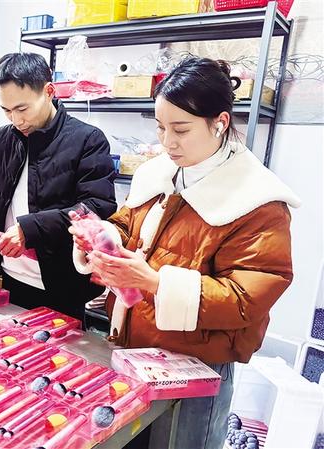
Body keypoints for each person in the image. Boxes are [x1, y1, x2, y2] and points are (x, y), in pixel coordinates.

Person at [70, 57, 300, 449]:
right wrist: (103, 238)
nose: (167, 142)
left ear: (220, 123)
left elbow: (248, 298)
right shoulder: (158, 174)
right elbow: (128, 223)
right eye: (160, 127)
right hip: (133, 348)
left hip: (197, 366)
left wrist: (156, 283)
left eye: (181, 129)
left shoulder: (258, 201)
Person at [0, 52, 117, 321]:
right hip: (8, 274)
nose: (16, 120)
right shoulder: (5, 137)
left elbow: (96, 206)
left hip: (60, 283)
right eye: (7, 110)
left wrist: (30, 229)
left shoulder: (87, 139)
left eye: (22, 109)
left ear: (49, 91)